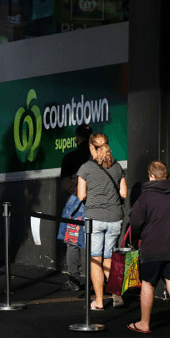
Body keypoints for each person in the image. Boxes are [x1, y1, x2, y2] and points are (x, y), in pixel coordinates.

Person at [128, 161, 170, 338]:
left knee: (148, 285)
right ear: (166, 176)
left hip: (152, 248)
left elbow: (135, 223)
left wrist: (135, 239)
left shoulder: (145, 197)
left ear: (151, 176)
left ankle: (144, 323)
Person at [77, 132, 127, 310]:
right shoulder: (117, 167)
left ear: (91, 147)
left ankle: (99, 301)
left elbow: (81, 195)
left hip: (95, 219)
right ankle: (116, 294)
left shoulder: (85, 168)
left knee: (95, 260)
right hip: (115, 218)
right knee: (108, 258)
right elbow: (124, 193)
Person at [57, 124, 93, 291]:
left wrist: (79, 192)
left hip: (76, 202)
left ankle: (74, 281)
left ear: (77, 139)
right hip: (96, 203)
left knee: (73, 242)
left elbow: (66, 183)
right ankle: (97, 281)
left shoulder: (69, 157)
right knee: (95, 243)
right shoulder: (96, 158)